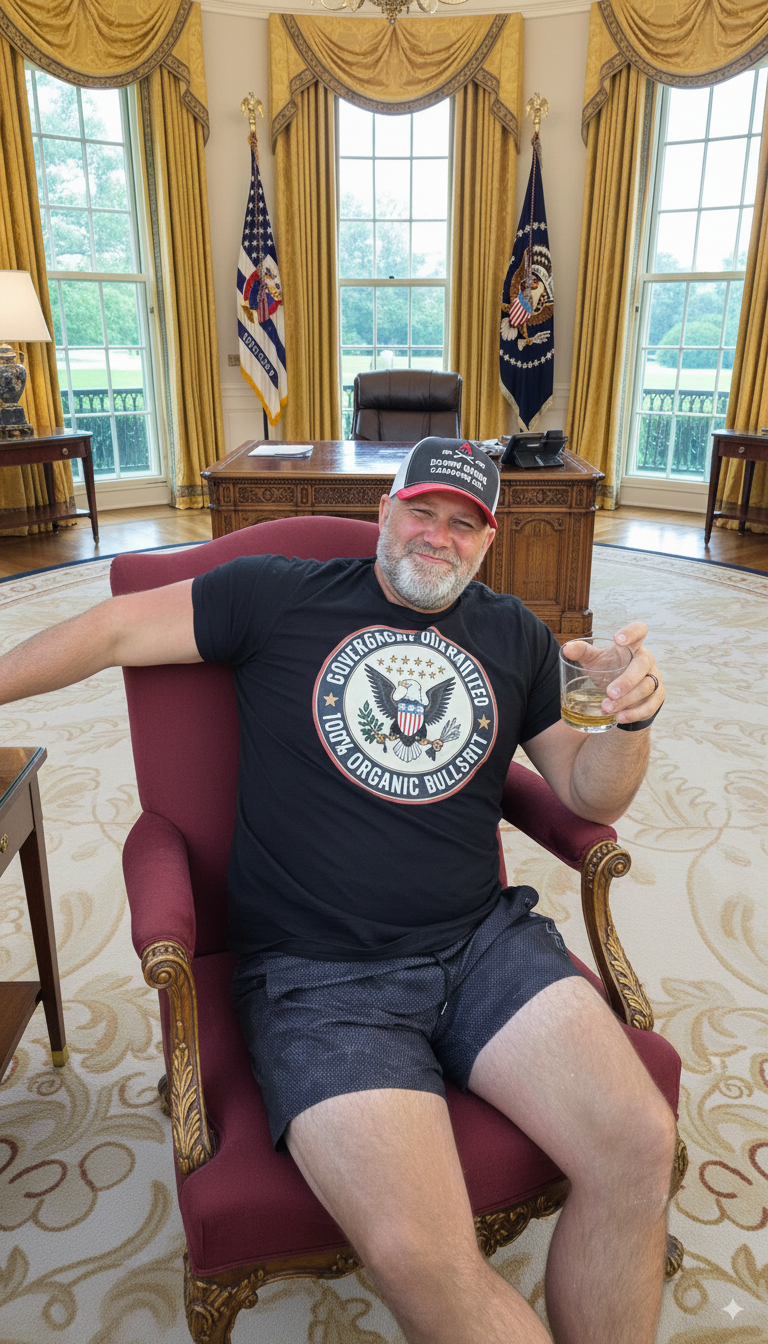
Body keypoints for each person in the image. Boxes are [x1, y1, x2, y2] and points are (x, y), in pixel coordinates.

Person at [0, 438, 672, 1344]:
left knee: (638, 1149)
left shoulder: (514, 632)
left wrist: (631, 721)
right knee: (425, 1259)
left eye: (464, 524)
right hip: (320, 980)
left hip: (486, 945)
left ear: (488, 541)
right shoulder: (277, 594)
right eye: (423, 511)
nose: (439, 536)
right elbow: (115, 630)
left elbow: (590, 795)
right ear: (385, 511)